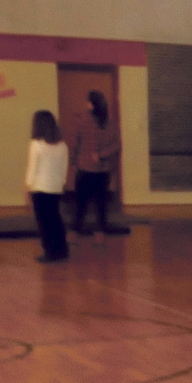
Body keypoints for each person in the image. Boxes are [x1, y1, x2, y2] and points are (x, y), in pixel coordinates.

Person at [71, 90, 120, 241]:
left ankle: (75, 230)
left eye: (88, 101)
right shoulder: (110, 122)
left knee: (81, 202)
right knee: (101, 202)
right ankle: (100, 232)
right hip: (103, 169)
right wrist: (101, 155)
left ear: (91, 104)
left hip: (84, 167)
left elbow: (75, 143)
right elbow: (116, 145)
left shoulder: (81, 120)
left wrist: (73, 160)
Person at [25, 110, 69, 263]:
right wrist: (61, 183)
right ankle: (61, 249)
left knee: (44, 222)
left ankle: (50, 251)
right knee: (55, 219)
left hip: (40, 187)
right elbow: (64, 167)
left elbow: (33, 168)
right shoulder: (62, 145)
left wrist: (28, 186)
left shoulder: (36, 144)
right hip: (55, 187)